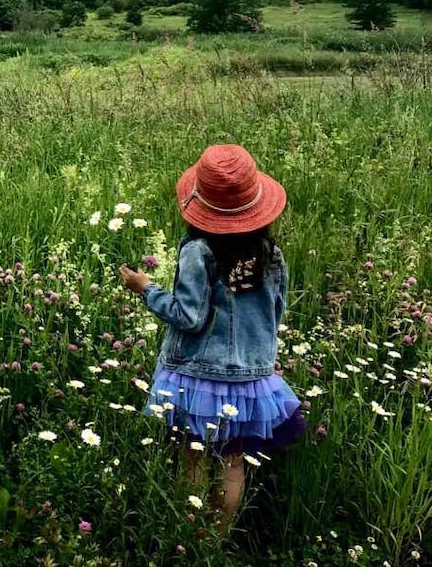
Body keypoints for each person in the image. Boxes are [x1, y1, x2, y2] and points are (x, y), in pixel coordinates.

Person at [118, 144, 306, 533]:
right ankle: (218, 539)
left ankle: (191, 537)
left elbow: (188, 316)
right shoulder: (271, 253)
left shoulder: (198, 251)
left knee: (194, 459)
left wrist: (146, 288)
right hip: (250, 379)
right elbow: (276, 312)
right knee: (234, 462)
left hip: (197, 377)